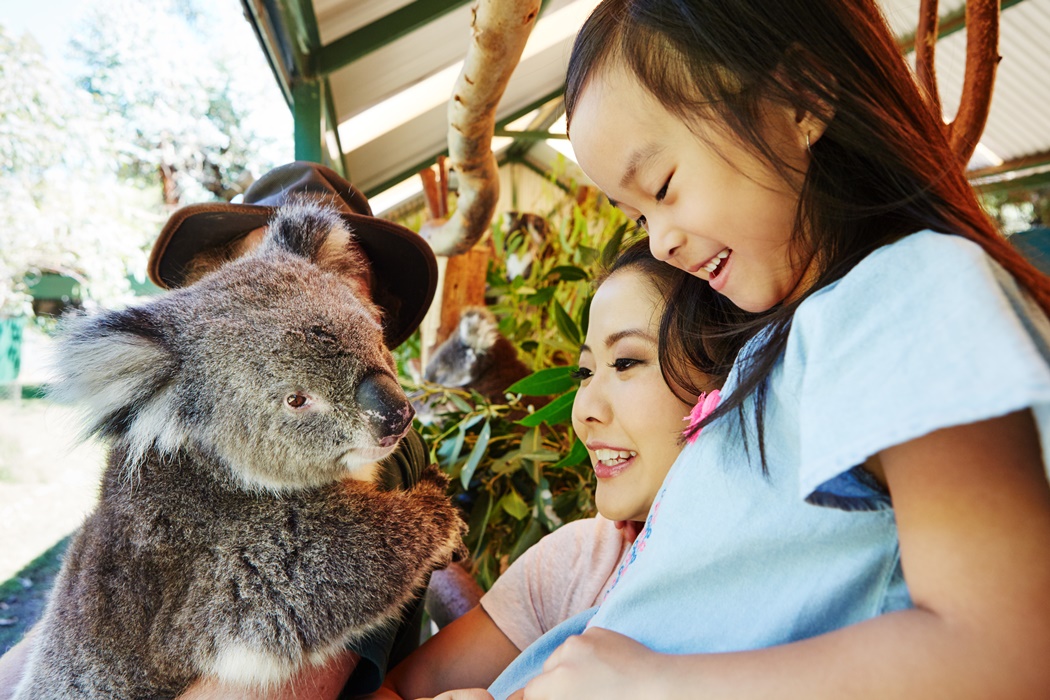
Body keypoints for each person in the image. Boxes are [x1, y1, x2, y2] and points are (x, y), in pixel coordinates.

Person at [473, 1, 1050, 698]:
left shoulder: (907, 291)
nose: (660, 242)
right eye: (638, 217)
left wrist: (652, 687)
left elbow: (1007, 652)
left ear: (801, 98)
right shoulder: (785, 343)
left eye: (663, 188)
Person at [0, 162, 442, 700]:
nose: (295, 290)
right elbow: (79, 620)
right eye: (255, 270)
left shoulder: (373, 446)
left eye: (346, 278)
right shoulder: (172, 447)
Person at [363, 237, 722, 700]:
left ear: (729, 377)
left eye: (626, 362)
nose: (583, 410)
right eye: (584, 373)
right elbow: (397, 690)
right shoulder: (577, 559)